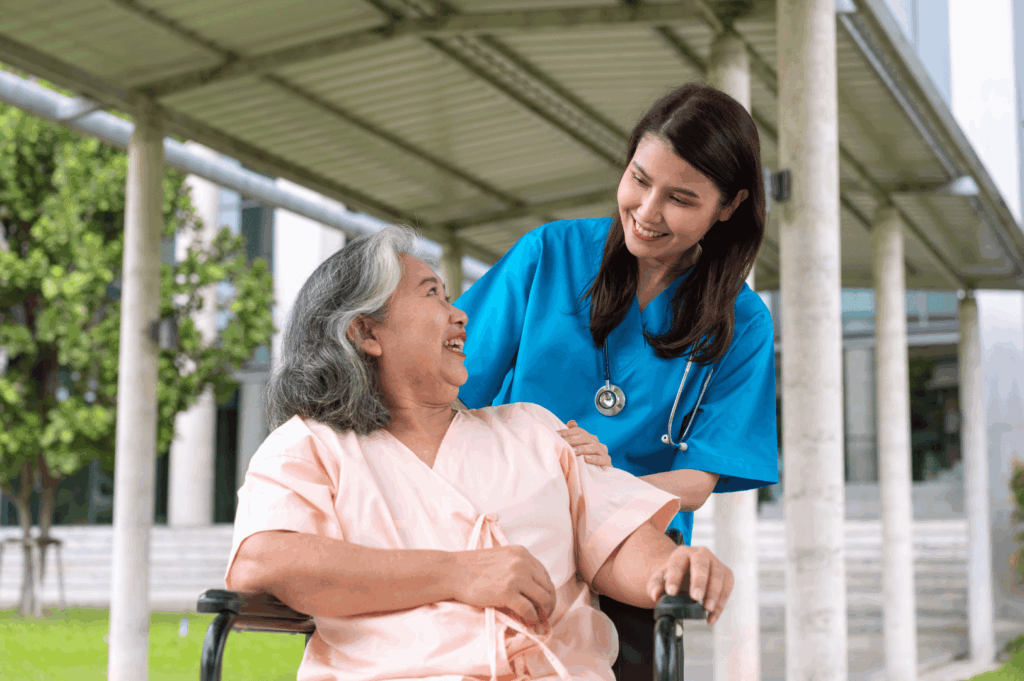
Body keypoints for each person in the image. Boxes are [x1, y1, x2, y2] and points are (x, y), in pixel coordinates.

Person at [226, 226, 734, 681]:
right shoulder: (310, 445)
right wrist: (459, 574)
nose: (460, 314)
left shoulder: (535, 430)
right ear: (366, 332)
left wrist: (678, 567)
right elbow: (263, 561)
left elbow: (620, 543)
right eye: (433, 295)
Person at [453, 82, 778, 672]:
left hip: (633, 544)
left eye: (680, 199)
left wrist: (593, 484)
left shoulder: (743, 324)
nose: (647, 213)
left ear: (728, 206)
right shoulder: (547, 254)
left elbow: (698, 480)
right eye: (639, 179)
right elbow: (448, 390)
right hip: (506, 521)